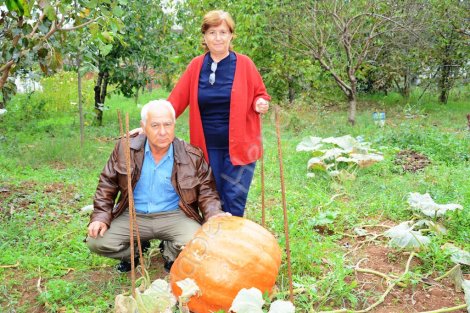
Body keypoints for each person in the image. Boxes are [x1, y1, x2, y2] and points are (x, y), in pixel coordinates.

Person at [86, 100, 227, 273]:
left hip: (174, 215)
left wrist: (213, 214)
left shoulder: (192, 155)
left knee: (200, 244)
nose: (162, 132)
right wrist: (100, 216)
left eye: (167, 125)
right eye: (155, 125)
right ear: (143, 127)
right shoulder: (125, 149)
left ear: (174, 125)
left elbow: (207, 190)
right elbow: (107, 183)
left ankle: (170, 251)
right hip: (132, 215)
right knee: (97, 241)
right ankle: (135, 251)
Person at [167, 10, 270, 217]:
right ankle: (213, 247)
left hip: (240, 148)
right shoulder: (196, 66)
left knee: (234, 199)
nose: (218, 38)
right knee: (210, 199)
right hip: (206, 149)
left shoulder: (245, 64)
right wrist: (152, 120)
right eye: (212, 32)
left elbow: (261, 94)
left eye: (223, 32)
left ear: (231, 35)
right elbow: (174, 102)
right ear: (204, 36)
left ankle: (231, 246)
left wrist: (260, 103)